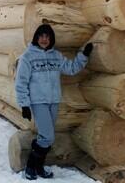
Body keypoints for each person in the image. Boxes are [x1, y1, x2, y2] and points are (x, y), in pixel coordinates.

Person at [15, 24, 93, 180]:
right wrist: (24, 105)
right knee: (48, 136)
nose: (44, 39)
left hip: (54, 101)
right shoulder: (27, 57)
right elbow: (21, 82)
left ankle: (38, 167)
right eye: (41, 36)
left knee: (46, 136)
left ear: (51, 39)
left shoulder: (56, 56)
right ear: (36, 37)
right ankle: (31, 166)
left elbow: (71, 68)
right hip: (38, 102)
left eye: (47, 36)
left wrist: (83, 55)